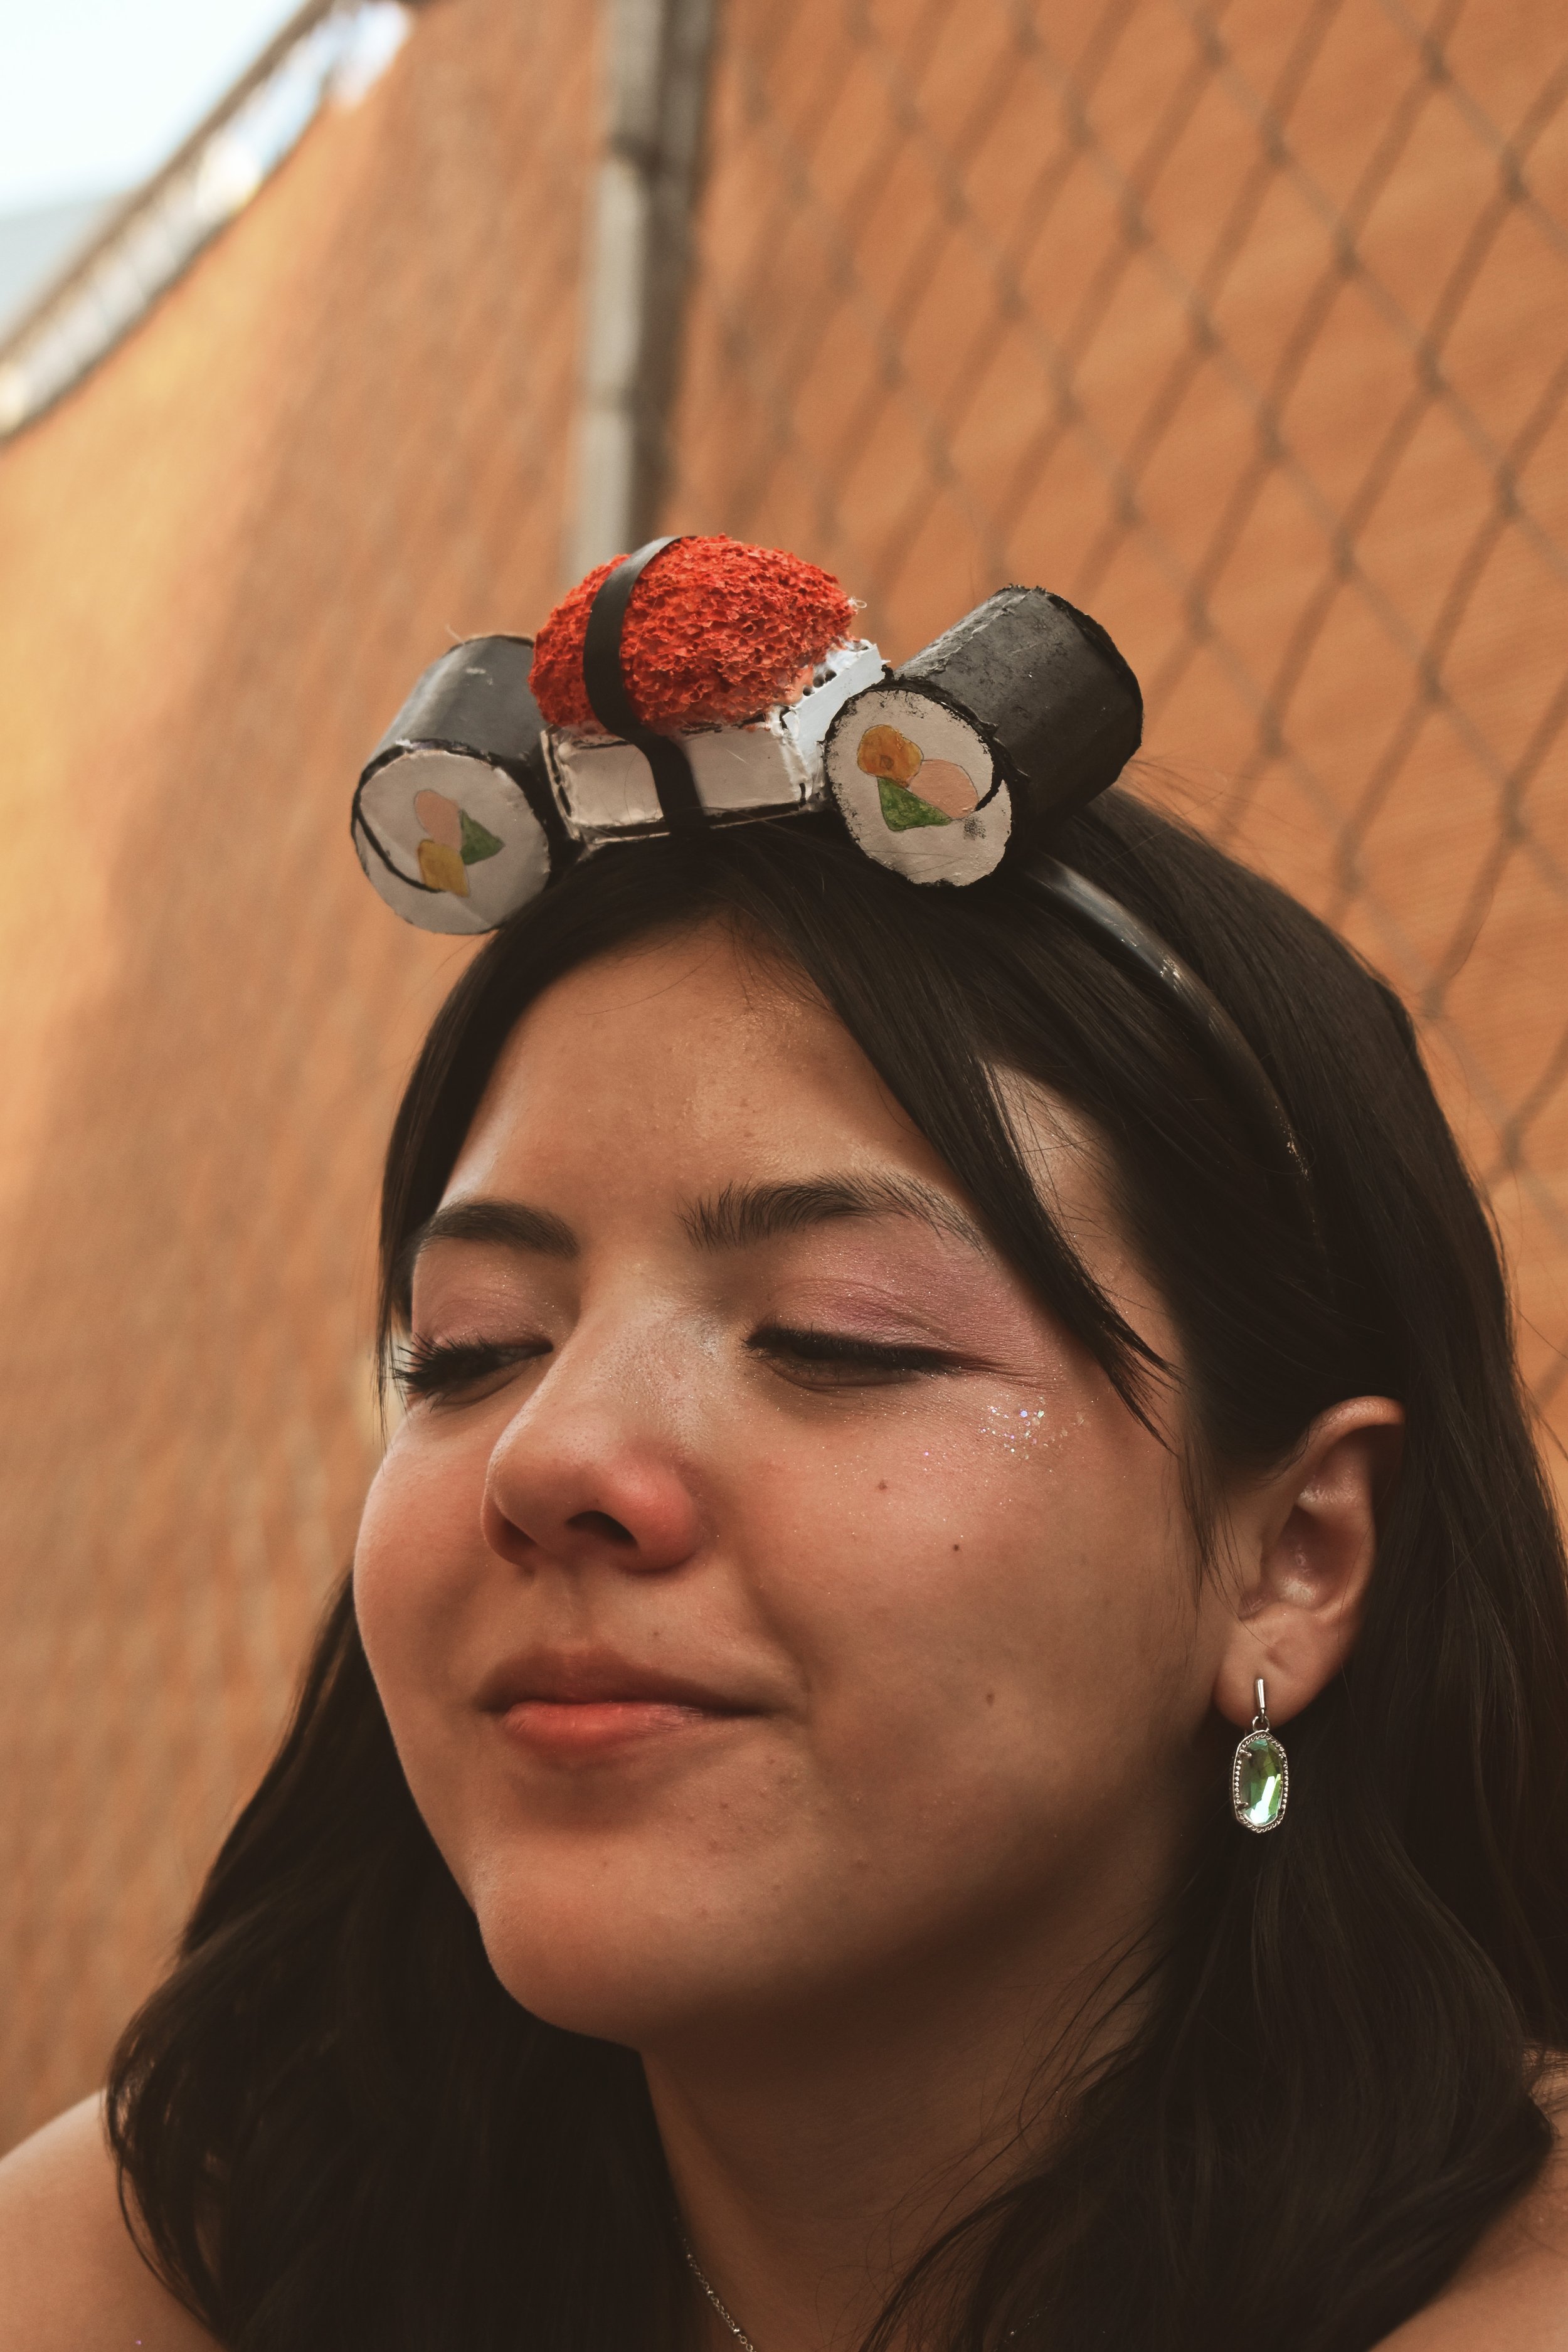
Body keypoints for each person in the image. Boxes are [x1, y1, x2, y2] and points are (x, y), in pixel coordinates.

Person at [2, 541, 1565, 2352]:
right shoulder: (188, 2244)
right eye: (468, 1352)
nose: (552, 1454)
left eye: (835, 1336)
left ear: (1293, 1558)